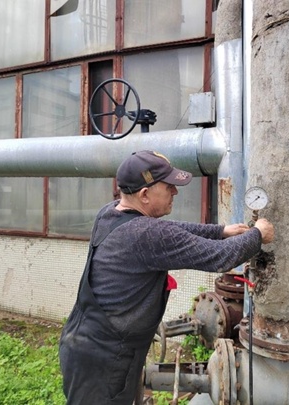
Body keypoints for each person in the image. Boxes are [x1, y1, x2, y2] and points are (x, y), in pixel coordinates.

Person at [59, 150, 274, 404]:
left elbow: (172, 230)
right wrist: (258, 235)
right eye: (168, 186)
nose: (175, 191)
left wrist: (221, 231)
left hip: (85, 343)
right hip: (105, 361)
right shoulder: (146, 234)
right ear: (145, 195)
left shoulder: (111, 212)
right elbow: (220, 258)